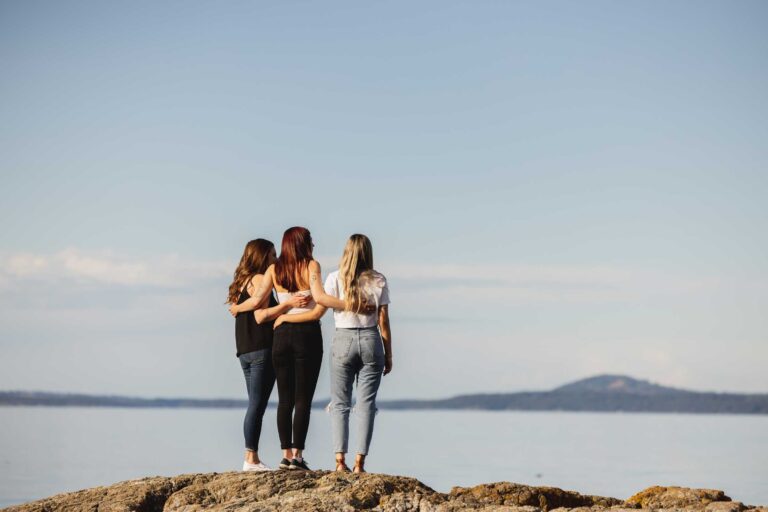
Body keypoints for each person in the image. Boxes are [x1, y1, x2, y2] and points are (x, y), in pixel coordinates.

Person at [229, 227, 329, 471]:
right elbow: (318, 300)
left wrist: (238, 308)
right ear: (302, 244)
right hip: (302, 336)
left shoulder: (272, 271)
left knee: (284, 400)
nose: (313, 244)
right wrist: (345, 303)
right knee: (300, 399)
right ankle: (295, 456)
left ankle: (284, 455)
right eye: (310, 241)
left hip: (276, 340)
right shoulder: (311, 266)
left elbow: (258, 309)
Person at [305, 234, 392, 473]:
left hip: (342, 339)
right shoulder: (378, 279)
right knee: (366, 405)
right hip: (371, 339)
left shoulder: (334, 278)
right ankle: (359, 463)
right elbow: (383, 321)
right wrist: (389, 354)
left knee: (340, 403)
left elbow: (321, 305)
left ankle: (339, 462)